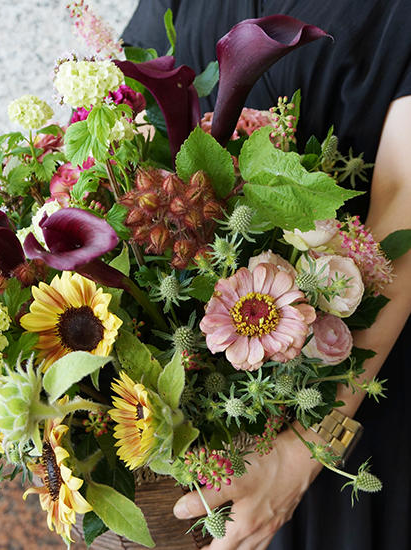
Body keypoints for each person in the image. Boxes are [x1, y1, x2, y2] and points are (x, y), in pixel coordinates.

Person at [123, 2, 411, 549]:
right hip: (218, 418)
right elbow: (127, 117)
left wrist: (305, 450)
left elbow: (407, 205)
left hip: (355, 386)